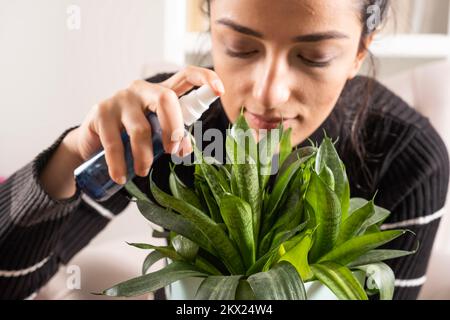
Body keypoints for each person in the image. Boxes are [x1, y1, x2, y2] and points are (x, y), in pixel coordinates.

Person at [0, 0, 448, 300]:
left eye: (313, 57)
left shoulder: (407, 155)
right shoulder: (170, 122)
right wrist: (73, 151)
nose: (269, 93)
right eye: (240, 47)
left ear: (359, 52)